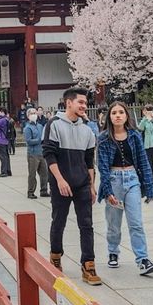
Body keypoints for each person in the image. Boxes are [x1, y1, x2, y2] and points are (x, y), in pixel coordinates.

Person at [43, 87, 101, 286]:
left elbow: (89, 160)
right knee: (59, 220)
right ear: (69, 103)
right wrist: (59, 179)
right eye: (81, 103)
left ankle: (88, 263)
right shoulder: (54, 124)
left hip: (82, 183)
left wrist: (92, 186)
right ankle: (56, 255)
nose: (84, 106)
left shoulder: (87, 129)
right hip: (61, 183)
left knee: (86, 224)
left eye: (85, 103)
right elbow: (49, 154)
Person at [97, 102, 153, 275]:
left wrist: (149, 186)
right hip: (113, 180)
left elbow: (144, 162)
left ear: (126, 115)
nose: (118, 115)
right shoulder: (103, 138)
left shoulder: (134, 136)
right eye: (114, 112)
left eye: (121, 112)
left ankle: (143, 259)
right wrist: (107, 191)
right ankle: (113, 252)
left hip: (132, 180)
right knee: (114, 224)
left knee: (136, 223)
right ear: (109, 116)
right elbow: (102, 167)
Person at [23, 108, 49, 199]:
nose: (34, 114)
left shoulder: (40, 126)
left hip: (41, 152)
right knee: (32, 173)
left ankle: (44, 190)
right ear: (28, 116)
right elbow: (29, 141)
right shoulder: (27, 128)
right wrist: (39, 140)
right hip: (32, 153)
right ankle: (30, 192)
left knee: (44, 173)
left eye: (35, 113)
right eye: (31, 113)